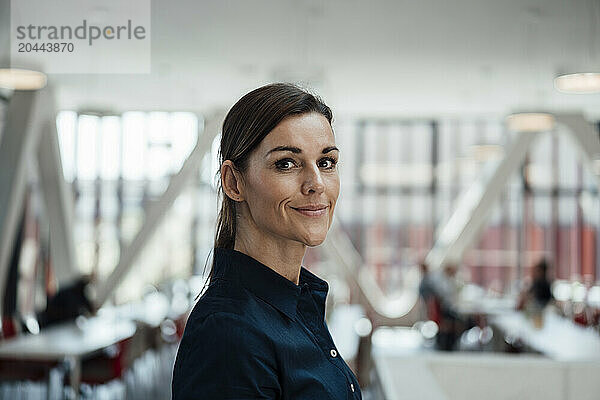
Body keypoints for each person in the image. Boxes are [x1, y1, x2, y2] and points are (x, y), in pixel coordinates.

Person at [172, 83, 362, 399]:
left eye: (326, 162)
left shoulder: (295, 305)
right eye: (286, 163)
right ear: (234, 182)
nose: (316, 183)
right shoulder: (227, 333)